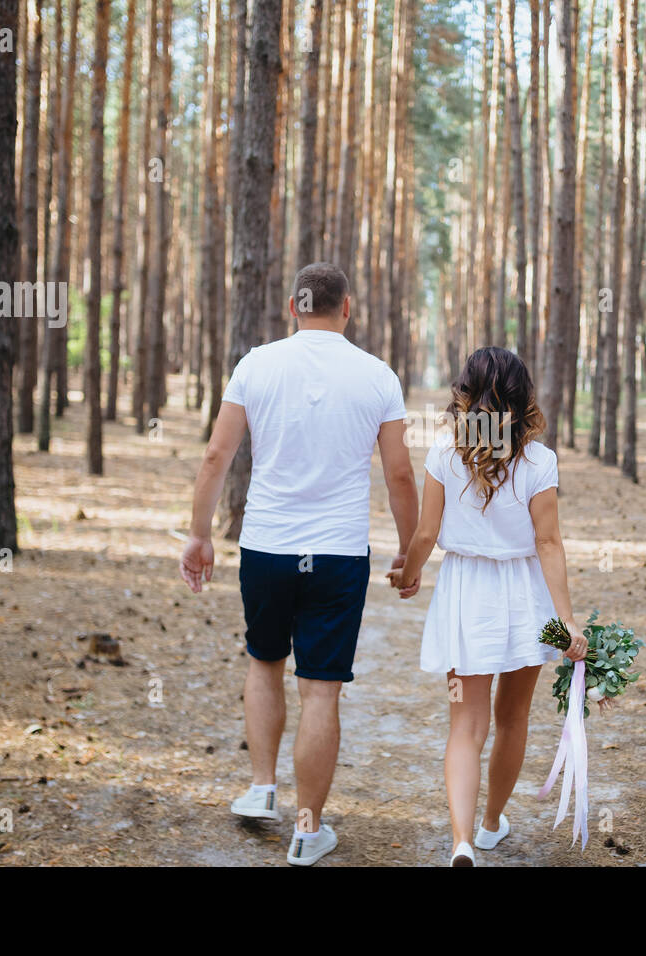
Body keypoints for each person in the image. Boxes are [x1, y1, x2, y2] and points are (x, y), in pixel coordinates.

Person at [180, 262, 419, 866]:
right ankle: (308, 831)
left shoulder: (256, 364)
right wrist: (410, 550)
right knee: (321, 691)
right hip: (338, 554)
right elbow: (397, 473)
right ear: (347, 308)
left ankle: (262, 790)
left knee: (264, 664)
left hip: (267, 546)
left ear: (294, 306)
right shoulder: (377, 376)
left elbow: (217, 456)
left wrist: (198, 535)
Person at [388, 346, 589, 867]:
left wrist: (407, 575)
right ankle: (493, 821)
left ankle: (460, 842)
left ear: (466, 394)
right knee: (512, 718)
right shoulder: (539, 461)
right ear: (523, 398)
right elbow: (548, 543)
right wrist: (567, 619)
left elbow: (427, 533)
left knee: (465, 726)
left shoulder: (443, 453)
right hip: (527, 598)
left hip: (465, 594)